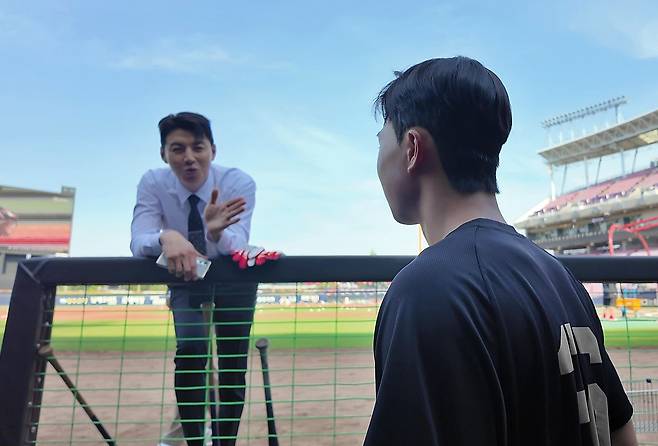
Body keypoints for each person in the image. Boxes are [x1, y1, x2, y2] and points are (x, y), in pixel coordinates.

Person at [366, 57, 637, 446]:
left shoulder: (426, 290)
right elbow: (621, 431)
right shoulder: (563, 280)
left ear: (412, 148)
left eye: (381, 142)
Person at [131, 112, 258, 446]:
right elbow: (138, 239)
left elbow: (239, 245)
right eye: (177, 148)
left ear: (212, 150)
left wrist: (214, 233)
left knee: (232, 366)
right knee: (190, 351)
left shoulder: (238, 182)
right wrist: (167, 236)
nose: (189, 157)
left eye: (197, 147)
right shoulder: (153, 182)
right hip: (185, 276)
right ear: (164, 154)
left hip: (234, 279)